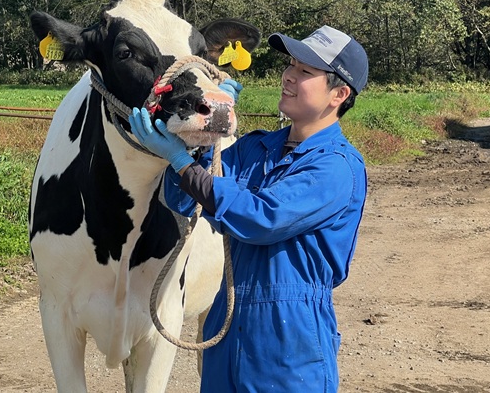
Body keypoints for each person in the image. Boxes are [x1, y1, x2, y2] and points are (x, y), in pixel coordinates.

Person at [129, 25, 368, 393]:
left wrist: (180, 162)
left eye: (305, 71)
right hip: (228, 327)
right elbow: (184, 199)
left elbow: (261, 217)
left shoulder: (336, 167)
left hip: (288, 337)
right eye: (290, 65)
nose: (288, 76)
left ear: (339, 93)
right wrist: (197, 138)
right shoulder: (254, 148)